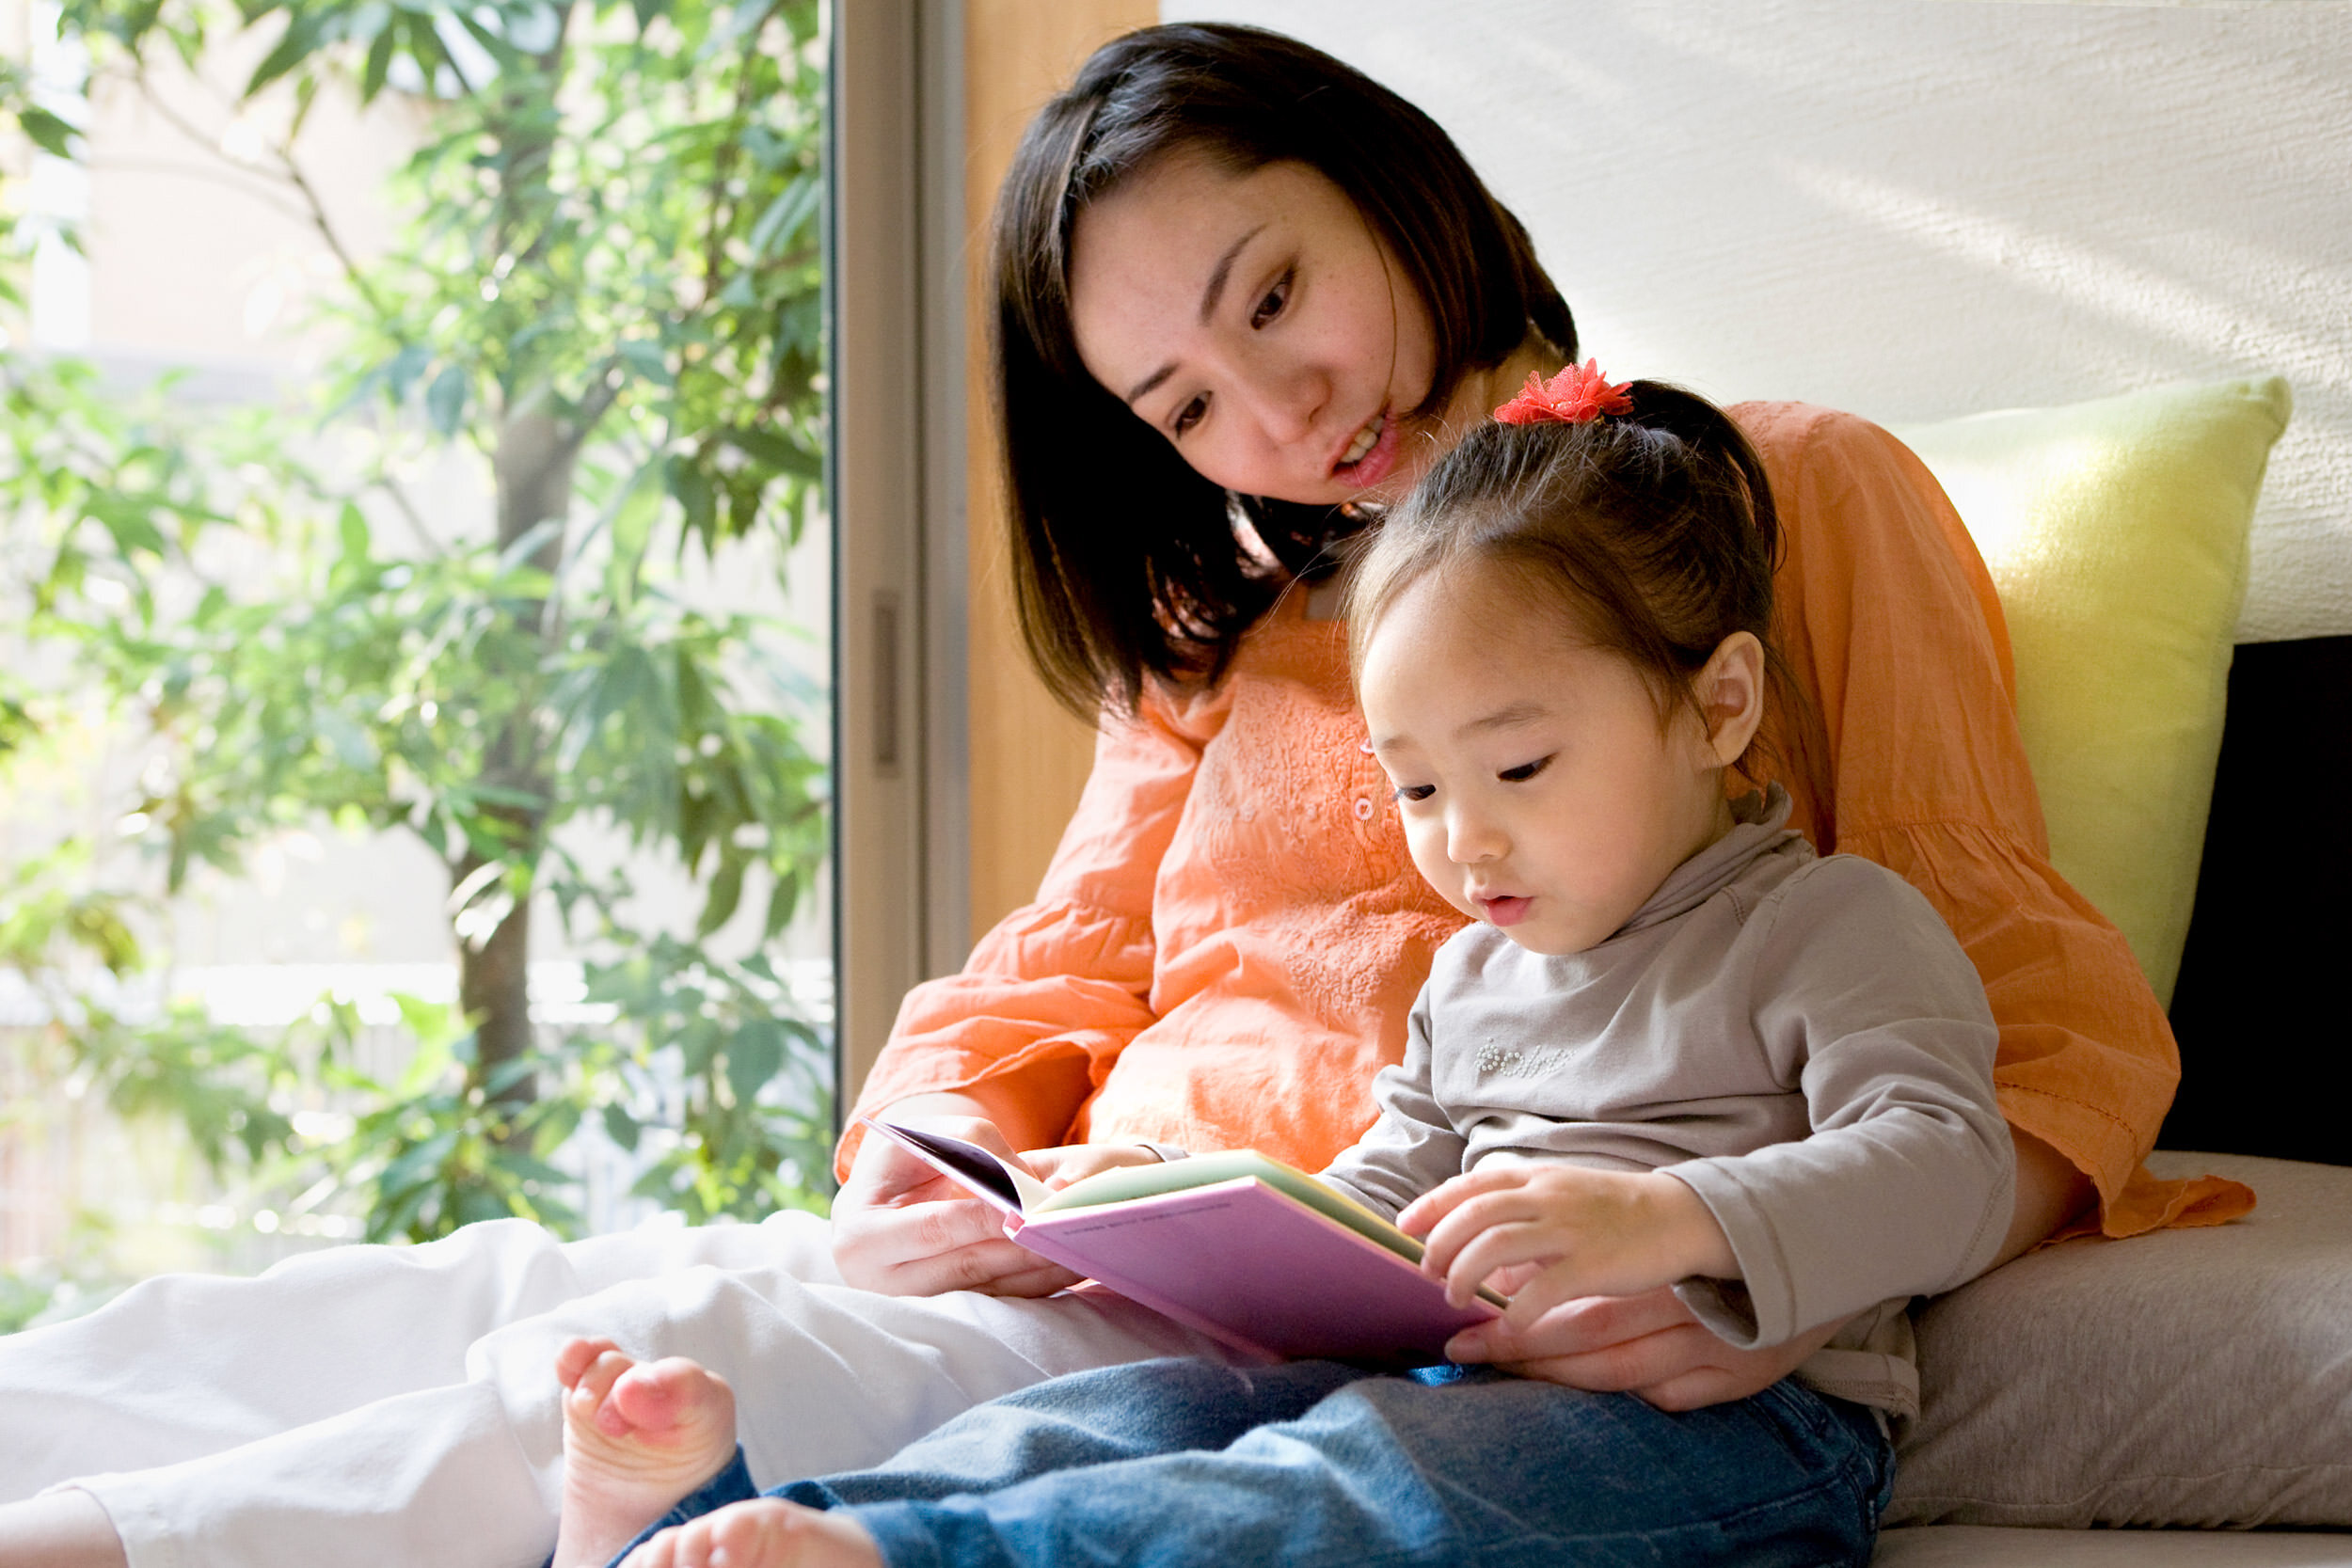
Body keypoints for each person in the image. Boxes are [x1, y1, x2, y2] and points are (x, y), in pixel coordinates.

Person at [0, 22, 2246, 1568]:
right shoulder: (1220, 639)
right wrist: (921, 1154)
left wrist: (1721, 1258)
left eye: (1278, 296)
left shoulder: (1779, 497)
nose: (1273, 411)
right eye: (1183, 402)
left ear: (1392, 191)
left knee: (657, 1362)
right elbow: (1052, 967)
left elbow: (2024, 1010)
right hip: (1107, 1229)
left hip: (1307, 1307)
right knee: (471, 1283)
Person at [542, 372, 2019, 1568]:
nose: (1465, 839)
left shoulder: (1832, 923)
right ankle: (715, 1532)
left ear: (1721, 704)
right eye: (1419, 791)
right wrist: (1172, 1222)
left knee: (1358, 1487)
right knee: (1139, 1407)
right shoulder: (1479, 976)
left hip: (1731, 1440)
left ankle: (907, 1566)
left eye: (1517, 764)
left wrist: (1671, 1219)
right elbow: (1392, 1188)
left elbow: (1946, 1163)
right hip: (1454, 1379)